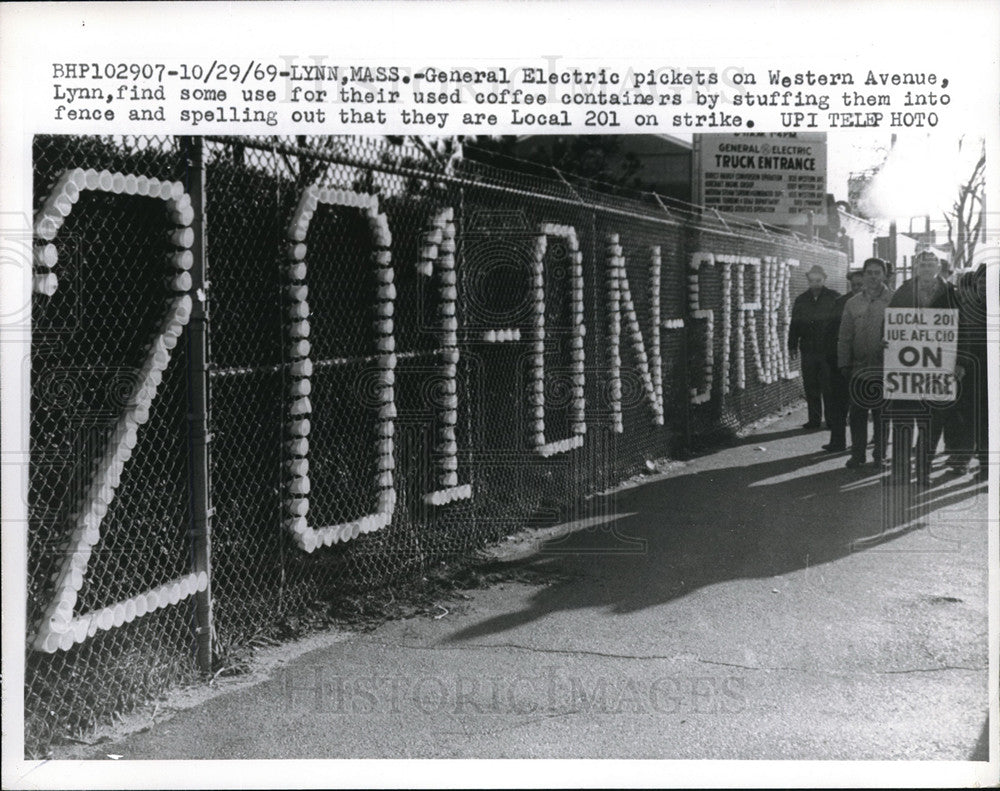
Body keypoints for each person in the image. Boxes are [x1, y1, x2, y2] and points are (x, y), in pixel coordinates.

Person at [886, 250, 962, 487]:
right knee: (903, 423)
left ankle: (923, 472)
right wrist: (886, 341)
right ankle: (899, 472)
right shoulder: (904, 291)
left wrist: (959, 361)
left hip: (938, 369)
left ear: (939, 267)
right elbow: (889, 322)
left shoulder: (952, 293)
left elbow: (963, 328)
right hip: (906, 371)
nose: (927, 268)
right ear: (916, 267)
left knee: (931, 424)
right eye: (923, 264)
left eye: (931, 264)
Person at [838, 257, 892, 469]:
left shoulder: (895, 300)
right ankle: (857, 454)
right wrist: (844, 362)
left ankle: (880, 455)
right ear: (864, 274)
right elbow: (845, 336)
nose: (873, 276)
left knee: (882, 414)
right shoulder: (852, 303)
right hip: (859, 368)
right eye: (869, 272)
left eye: (877, 272)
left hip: (885, 368)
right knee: (858, 413)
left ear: (884, 275)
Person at [947, 263, 988, 479]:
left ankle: (987, 465)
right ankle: (965, 460)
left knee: (987, 421)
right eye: (980, 281)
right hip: (971, 373)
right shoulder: (967, 308)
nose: (983, 285)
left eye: (987, 282)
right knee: (970, 417)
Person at [789, 265, 841, 430]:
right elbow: (794, 324)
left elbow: (841, 323)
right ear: (808, 280)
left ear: (824, 279)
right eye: (812, 281)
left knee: (829, 386)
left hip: (828, 350)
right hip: (808, 349)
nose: (815, 284)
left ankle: (831, 420)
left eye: (818, 280)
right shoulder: (801, 299)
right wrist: (792, 346)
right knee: (811, 385)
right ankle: (814, 419)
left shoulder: (834, 298)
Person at [822, 269, 864, 452]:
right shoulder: (840, 303)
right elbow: (829, 333)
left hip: (866, 363)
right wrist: (834, 360)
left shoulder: (878, 302)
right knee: (839, 405)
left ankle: (863, 444)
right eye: (853, 285)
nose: (856, 288)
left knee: (863, 408)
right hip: (842, 363)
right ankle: (838, 441)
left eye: (860, 285)